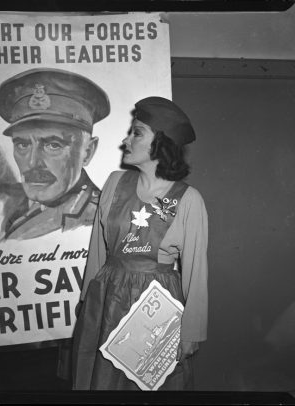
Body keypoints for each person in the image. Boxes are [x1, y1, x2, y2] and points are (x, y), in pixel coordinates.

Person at [72, 96, 208, 390]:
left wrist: (190, 331)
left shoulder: (188, 199)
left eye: (136, 132)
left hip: (156, 308)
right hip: (107, 299)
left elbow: (197, 272)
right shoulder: (113, 183)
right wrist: (87, 305)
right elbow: (98, 252)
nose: (126, 140)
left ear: (160, 143)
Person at [0, 67, 110, 240]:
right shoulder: (13, 205)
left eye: (53, 145)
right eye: (22, 144)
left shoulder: (99, 220)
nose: (31, 163)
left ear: (87, 152)